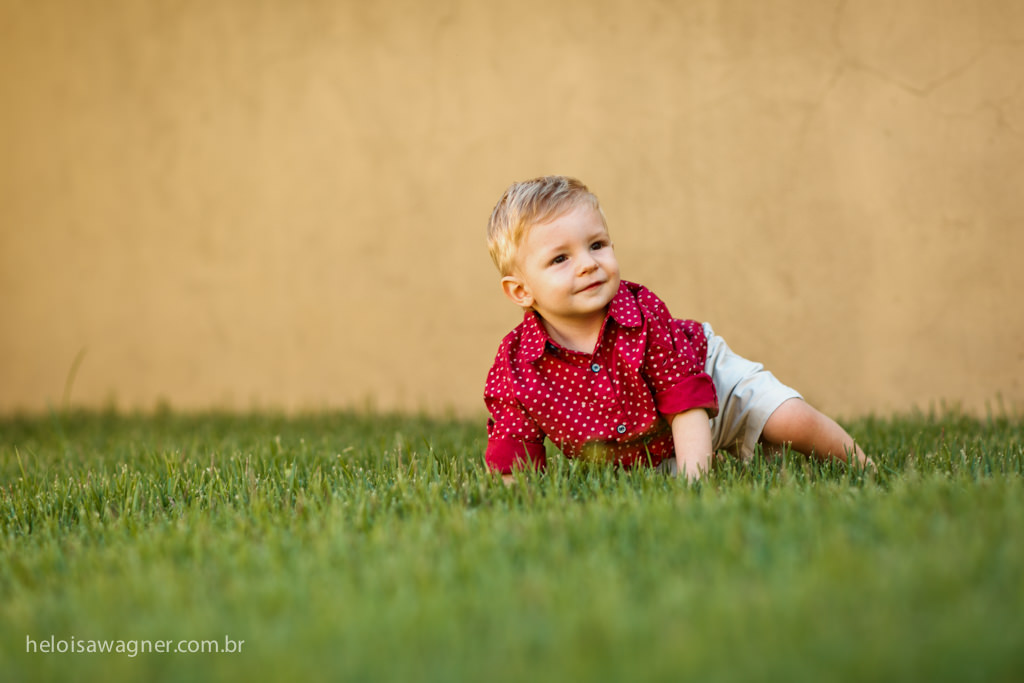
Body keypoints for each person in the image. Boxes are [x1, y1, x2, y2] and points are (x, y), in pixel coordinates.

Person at [483, 175, 872, 482]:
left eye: (597, 245)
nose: (588, 264)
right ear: (520, 291)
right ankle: (732, 460)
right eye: (560, 259)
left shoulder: (642, 314)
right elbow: (514, 449)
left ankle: (864, 467)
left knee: (791, 420)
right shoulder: (516, 368)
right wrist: (519, 504)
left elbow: (685, 402)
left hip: (707, 380)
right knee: (654, 485)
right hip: (646, 451)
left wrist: (695, 486)